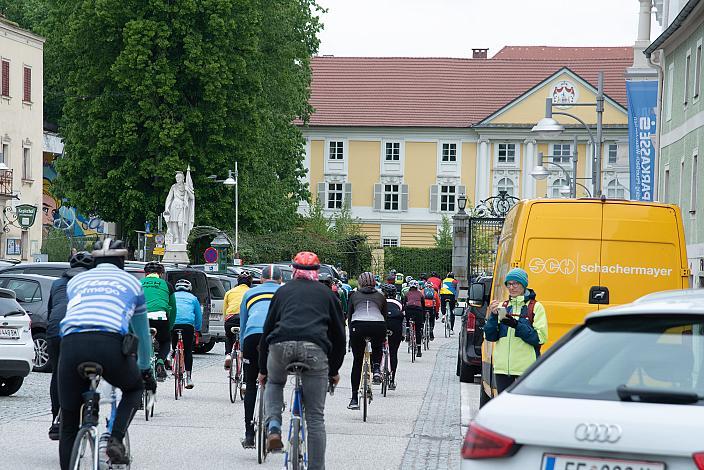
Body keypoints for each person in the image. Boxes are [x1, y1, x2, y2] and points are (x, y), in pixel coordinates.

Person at [58, 239, 156, 469]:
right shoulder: (133, 284)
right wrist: (145, 370)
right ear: (122, 261)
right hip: (109, 344)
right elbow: (141, 334)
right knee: (134, 388)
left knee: (69, 421)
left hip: (72, 345)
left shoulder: (76, 281)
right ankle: (115, 439)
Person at [258, 251, 345, 470]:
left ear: (293, 270)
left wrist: (262, 369)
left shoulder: (282, 291)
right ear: (317, 272)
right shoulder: (328, 295)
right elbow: (339, 335)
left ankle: (274, 426)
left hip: (280, 345)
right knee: (315, 418)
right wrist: (333, 370)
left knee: (275, 382)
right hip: (315, 349)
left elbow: (267, 329)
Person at [46, 251, 93, 441]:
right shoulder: (91, 284)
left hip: (55, 330)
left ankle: (57, 417)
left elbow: (51, 311)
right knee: (89, 369)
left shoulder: (57, 283)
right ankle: (88, 410)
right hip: (80, 331)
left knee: (57, 373)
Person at [239, 264, 283, 449]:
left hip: (252, 336)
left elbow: (243, 323)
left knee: (250, 386)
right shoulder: (284, 292)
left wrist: (242, 349)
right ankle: (272, 423)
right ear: (281, 279)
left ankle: (249, 434)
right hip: (274, 337)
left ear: (262, 279)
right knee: (274, 382)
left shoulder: (250, 293)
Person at [484, 268, 548, 393]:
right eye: (509, 284)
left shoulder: (536, 307)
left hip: (525, 369)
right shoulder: (503, 306)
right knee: (504, 409)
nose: (511, 287)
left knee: (523, 408)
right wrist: (493, 316)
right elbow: (491, 336)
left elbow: (539, 338)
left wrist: (516, 325)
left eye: (515, 283)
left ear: (524, 285)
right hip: (502, 369)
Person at [346, 271, 388, 410]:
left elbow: (349, 316)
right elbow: (384, 316)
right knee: (377, 347)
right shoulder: (381, 296)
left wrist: (351, 338)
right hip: (378, 325)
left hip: (358, 326)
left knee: (357, 361)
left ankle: (353, 399)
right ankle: (376, 368)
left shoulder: (353, 295)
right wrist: (384, 334)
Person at [140, 261, 177, 380]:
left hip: (142, 317)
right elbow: (173, 307)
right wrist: (169, 327)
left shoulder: (138, 283)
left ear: (145, 274)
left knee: (137, 340)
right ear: (160, 274)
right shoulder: (167, 285)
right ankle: (160, 361)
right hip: (160, 317)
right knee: (165, 341)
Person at [171, 279, 202, 389]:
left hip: (173, 324)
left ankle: (171, 355)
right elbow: (198, 315)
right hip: (187, 326)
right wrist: (198, 329)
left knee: (172, 345)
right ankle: (188, 378)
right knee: (188, 350)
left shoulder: (172, 296)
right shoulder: (193, 298)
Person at [223, 271, 252, 369]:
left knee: (228, 335)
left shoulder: (229, 292)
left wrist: (225, 322)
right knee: (247, 339)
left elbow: (225, 311)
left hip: (231, 318)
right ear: (250, 282)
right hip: (246, 319)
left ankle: (228, 354)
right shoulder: (251, 292)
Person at [163, 170, 195, 245]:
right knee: (174, 223)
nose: (177, 179)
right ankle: (177, 239)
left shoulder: (186, 186)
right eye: (176, 178)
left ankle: (182, 238)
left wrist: (188, 191)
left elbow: (192, 197)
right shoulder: (173, 187)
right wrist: (167, 207)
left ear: (183, 178)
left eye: (179, 177)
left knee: (180, 224)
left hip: (182, 207)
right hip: (174, 206)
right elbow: (169, 198)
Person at [381, 283, 403, 390]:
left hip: (383, 325)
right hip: (395, 327)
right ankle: (392, 380)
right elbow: (403, 318)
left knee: (377, 348)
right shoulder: (398, 302)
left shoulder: (380, 301)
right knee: (394, 352)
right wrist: (403, 334)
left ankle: (376, 371)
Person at [402, 280, 425, 358]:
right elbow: (423, 305)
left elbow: (404, 304)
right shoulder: (420, 294)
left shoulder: (407, 293)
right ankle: (419, 350)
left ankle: (408, 330)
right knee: (418, 330)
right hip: (418, 310)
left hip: (409, 309)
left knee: (408, 321)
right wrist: (423, 316)